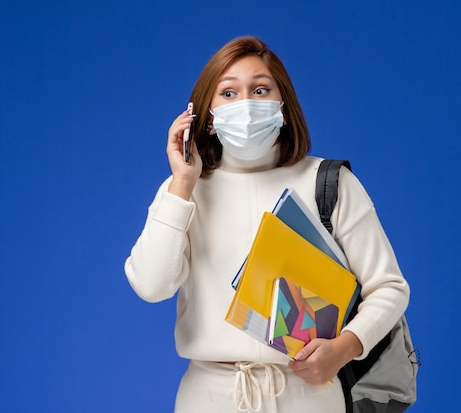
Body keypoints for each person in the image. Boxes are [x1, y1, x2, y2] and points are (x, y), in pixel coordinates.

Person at [124, 36, 409, 413]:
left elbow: (388, 286)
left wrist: (344, 348)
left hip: (310, 396)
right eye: (228, 93)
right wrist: (181, 184)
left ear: (284, 107)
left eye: (260, 89)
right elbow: (151, 285)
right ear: (205, 117)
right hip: (209, 397)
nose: (245, 104)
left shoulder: (330, 183)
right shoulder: (184, 191)